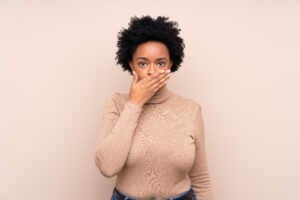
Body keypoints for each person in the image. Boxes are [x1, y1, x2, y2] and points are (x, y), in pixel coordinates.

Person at [94, 15, 214, 200]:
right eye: (143, 63)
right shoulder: (117, 104)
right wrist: (135, 103)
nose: (152, 71)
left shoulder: (191, 109)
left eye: (160, 63)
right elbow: (107, 167)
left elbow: (201, 178)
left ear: (171, 64)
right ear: (131, 64)